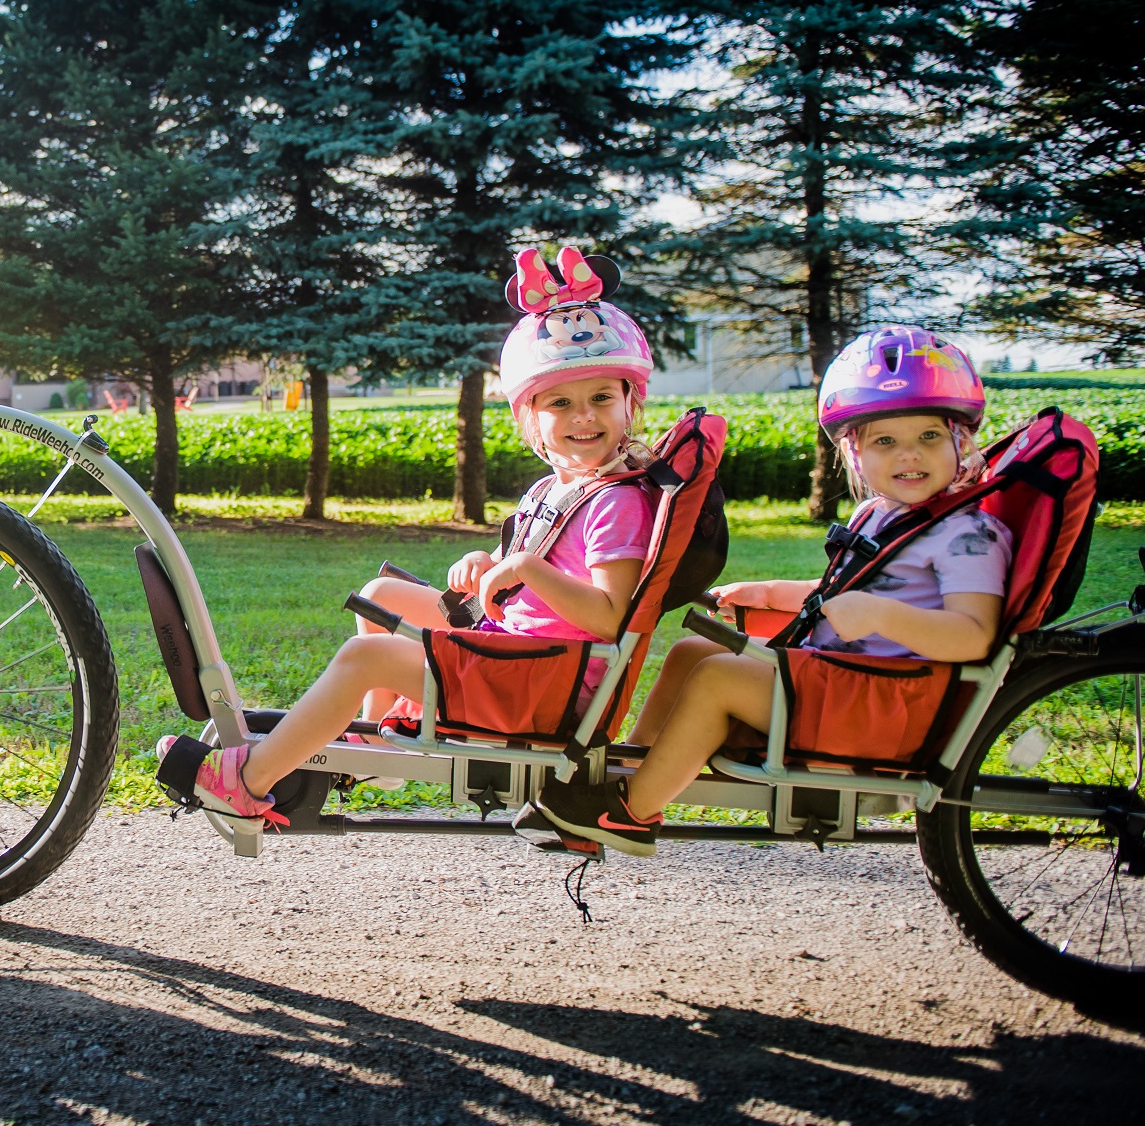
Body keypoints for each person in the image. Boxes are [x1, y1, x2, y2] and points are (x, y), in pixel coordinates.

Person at [155, 246, 656, 826]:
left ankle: (245, 780)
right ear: (531, 418)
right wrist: (486, 560)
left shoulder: (616, 502)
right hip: (521, 656)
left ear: (629, 403)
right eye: (561, 403)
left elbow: (609, 618)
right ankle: (376, 740)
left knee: (365, 655)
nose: (583, 417)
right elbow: (518, 560)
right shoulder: (557, 488)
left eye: (601, 399)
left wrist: (522, 572)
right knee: (384, 596)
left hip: (544, 686)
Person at [537, 325, 1008, 857]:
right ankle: (627, 774)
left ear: (960, 440)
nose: (908, 456)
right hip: (849, 684)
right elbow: (839, 592)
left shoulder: (968, 534)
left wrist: (879, 615)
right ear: (855, 454)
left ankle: (629, 813)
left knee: (718, 678)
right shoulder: (883, 516)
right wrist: (771, 592)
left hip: (886, 706)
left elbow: (973, 636)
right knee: (696, 651)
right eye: (885, 441)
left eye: (928, 437)